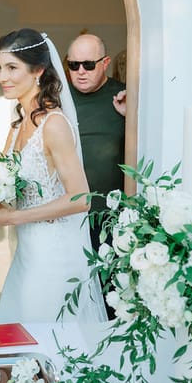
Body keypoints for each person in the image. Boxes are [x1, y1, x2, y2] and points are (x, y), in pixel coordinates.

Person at [0, 28, 106, 323]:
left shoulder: (54, 124)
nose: (2, 77)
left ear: (38, 71)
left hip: (55, 257)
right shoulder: (16, 127)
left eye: (12, 68)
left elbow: (81, 198)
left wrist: (11, 218)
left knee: (46, 337)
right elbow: (10, 191)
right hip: (26, 255)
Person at [65, 34, 126, 250]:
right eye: (74, 65)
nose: (81, 71)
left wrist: (131, 118)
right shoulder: (57, 98)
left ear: (105, 63)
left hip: (110, 217)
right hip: (67, 215)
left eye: (89, 65)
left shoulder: (125, 97)